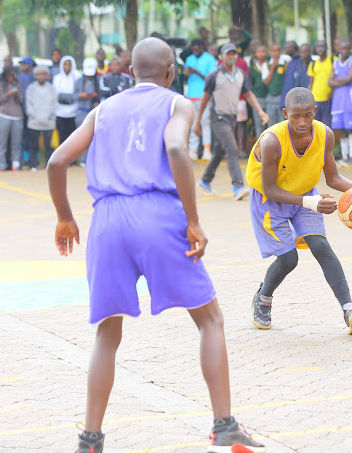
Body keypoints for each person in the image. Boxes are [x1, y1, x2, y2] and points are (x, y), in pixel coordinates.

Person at [45, 37, 265, 453]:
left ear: (130, 73)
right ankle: (224, 426)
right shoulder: (176, 102)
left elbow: (57, 160)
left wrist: (64, 216)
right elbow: (178, 147)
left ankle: (90, 439)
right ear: (170, 71)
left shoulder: (103, 109)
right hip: (157, 215)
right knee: (210, 320)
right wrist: (194, 221)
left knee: (106, 334)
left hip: (107, 220)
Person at [246, 86, 352, 334]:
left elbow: (333, 177)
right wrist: (312, 203)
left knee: (321, 247)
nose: (302, 122)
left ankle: (350, 311)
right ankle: (263, 298)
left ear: (315, 111)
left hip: (304, 193)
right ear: (285, 114)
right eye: (295, 116)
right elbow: (270, 189)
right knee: (289, 259)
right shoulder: (272, 141)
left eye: (307, 115)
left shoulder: (325, 134)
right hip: (269, 200)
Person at [194, 43, 268, 200]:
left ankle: (205, 181)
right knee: (232, 149)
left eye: (234, 54)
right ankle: (238, 186)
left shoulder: (240, 74)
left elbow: (249, 95)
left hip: (232, 118)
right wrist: (198, 121)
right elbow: (205, 100)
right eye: (228, 54)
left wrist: (260, 111)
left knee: (219, 152)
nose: (232, 57)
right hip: (218, 117)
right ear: (222, 57)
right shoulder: (214, 76)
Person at [329, 39, 352, 167]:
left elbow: (349, 78)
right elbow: (329, 82)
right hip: (338, 101)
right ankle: (345, 157)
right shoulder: (336, 63)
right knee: (342, 130)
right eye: (342, 49)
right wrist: (341, 80)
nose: (344, 51)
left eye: (347, 49)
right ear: (338, 50)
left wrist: (337, 80)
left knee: (351, 129)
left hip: (350, 101)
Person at [184, 39, 217, 160]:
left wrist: (196, 72)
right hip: (191, 94)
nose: (195, 51)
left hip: (205, 95)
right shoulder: (189, 59)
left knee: (205, 122)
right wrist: (187, 73)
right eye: (193, 50)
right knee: (193, 122)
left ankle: (206, 150)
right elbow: (185, 77)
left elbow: (211, 78)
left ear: (202, 47)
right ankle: (193, 150)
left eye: (197, 49)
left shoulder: (209, 59)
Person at [0, 66, 24, 171]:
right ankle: (1, 165)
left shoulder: (17, 84)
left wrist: (16, 95)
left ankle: (16, 165)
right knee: (2, 143)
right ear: (5, 75)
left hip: (17, 116)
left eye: (13, 75)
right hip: (3, 115)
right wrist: (7, 94)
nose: (12, 77)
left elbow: (22, 100)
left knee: (16, 142)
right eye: (10, 75)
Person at [25, 66, 56, 170]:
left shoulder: (51, 88)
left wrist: (49, 116)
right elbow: (28, 103)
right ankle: (33, 164)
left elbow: (54, 104)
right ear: (35, 76)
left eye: (43, 74)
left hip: (48, 122)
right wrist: (34, 115)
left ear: (47, 76)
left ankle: (49, 165)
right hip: (34, 122)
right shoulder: (31, 88)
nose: (41, 76)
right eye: (39, 74)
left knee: (48, 145)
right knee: (34, 145)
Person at [74, 58, 100, 167]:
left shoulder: (99, 80)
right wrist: (81, 95)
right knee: (82, 137)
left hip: (95, 112)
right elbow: (73, 96)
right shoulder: (79, 81)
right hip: (81, 112)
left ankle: (94, 159)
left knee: (96, 136)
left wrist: (96, 96)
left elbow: (103, 94)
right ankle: (83, 160)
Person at [307, 40, 334, 128]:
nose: (320, 49)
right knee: (315, 124)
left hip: (328, 98)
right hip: (316, 99)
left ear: (326, 48)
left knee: (327, 124)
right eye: (318, 47)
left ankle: (327, 142)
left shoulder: (333, 60)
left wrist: (333, 92)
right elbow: (311, 82)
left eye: (322, 46)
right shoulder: (313, 63)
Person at [262, 43, 289, 126]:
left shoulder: (285, 64)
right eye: (273, 50)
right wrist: (273, 67)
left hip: (281, 98)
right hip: (270, 98)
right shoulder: (266, 64)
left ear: (281, 51)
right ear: (270, 52)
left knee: (283, 123)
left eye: (278, 50)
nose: (276, 52)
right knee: (272, 124)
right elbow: (266, 82)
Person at [249, 44, 270, 138]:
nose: (261, 54)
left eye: (263, 51)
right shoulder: (253, 68)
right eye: (259, 52)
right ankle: (259, 148)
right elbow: (251, 82)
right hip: (257, 98)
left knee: (270, 123)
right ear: (256, 54)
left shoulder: (270, 64)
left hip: (269, 97)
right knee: (259, 123)